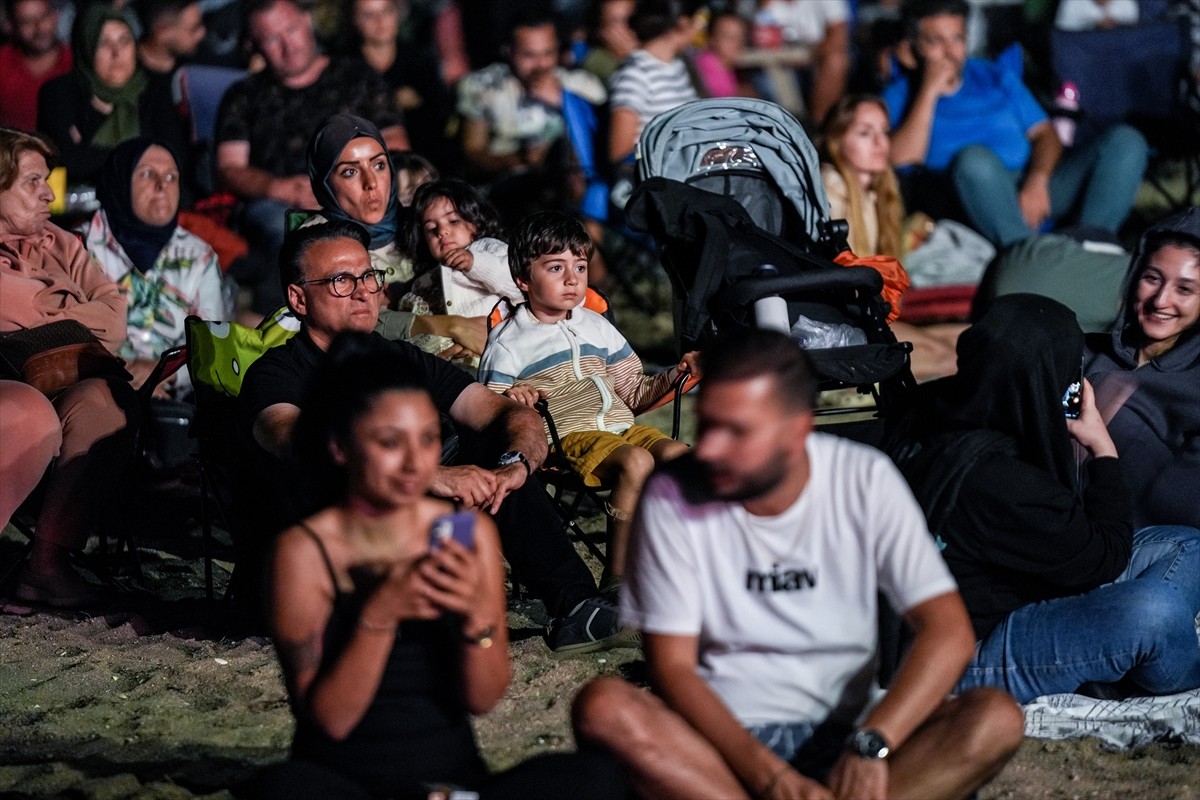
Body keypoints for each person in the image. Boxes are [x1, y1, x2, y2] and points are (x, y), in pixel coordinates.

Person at [572, 329, 1024, 800]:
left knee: (994, 716)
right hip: (726, 741)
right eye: (707, 426)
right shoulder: (674, 493)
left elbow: (948, 633)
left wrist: (874, 744)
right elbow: (673, 668)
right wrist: (772, 777)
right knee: (604, 706)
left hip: (850, 725)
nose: (709, 449)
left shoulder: (863, 477)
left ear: (797, 430)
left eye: (737, 431)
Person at [251, 330, 627, 799]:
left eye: (428, 439)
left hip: (453, 777)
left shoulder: (465, 534)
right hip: (347, 780)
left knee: (595, 781)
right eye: (391, 443)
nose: (416, 463)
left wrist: (476, 621)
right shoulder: (306, 551)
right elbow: (330, 719)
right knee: (282, 790)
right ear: (341, 447)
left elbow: (483, 697)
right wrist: (379, 615)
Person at [238, 219, 633, 653]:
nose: (363, 290)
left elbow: (505, 412)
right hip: (329, 563)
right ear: (298, 298)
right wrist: (434, 476)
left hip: (421, 538)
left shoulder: (401, 359)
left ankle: (575, 607)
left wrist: (515, 465)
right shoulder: (275, 374)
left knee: (493, 451)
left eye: (368, 275)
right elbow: (297, 442)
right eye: (340, 281)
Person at [897, 293, 1200, 703]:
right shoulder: (1006, 483)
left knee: (1186, 545)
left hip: (995, 587)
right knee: (1154, 612)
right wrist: (1102, 449)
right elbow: (1106, 555)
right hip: (960, 653)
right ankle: (1149, 671)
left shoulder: (939, 405)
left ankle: (1105, 658)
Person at [478, 211, 697, 593]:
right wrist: (513, 400)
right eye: (555, 267)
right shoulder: (509, 342)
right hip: (566, 440)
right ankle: (617, 579)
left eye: (580, 266)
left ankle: (680, 563)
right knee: (637, 461)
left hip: (622, 428)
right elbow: (487, 409)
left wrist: (680, 374)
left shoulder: (597, 326)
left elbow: (633, 390)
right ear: (523, 280)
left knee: (684, 458)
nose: (572, 279)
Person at [0, 126, 137, 607]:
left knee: (108, 402)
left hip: (56, 375)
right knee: (25, 410)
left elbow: (115, 318)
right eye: (33, 181)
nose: (49, 194)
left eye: (49, 180)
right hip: (12, 383)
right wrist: (74, 303)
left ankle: (45, 566)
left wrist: (44, 303)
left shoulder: (63, 242)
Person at [883, 0, 1148, 248]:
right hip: (966, 198)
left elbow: (1045, 134)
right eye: (935, 42)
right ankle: (1028, 257)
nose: (950, 52)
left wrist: (1037, 180)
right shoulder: (901, 95)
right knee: (974, 160)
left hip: (1027, 188)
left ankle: (1092, 249)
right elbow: (901, 161)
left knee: (1125, 141)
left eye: (958, 39)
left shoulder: (993, 75)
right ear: (912, 48)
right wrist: (928, 91)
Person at [214, 0, 408, 314]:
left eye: (291, 29)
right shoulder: (245, 95)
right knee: (285, 228)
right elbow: (229, 168)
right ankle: (287, 327)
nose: (288, 45)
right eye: (273, 38)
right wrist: (279, 187)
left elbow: (397, 144)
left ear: (307, 22)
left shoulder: (355, 75)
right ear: (255, 46)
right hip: (282, 200)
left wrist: (350, 186)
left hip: (356, 190)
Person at [304, 113, 483, 360]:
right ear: (325, 181)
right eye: (349, 172)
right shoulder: (317, 240)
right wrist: (451, 326)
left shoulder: (422, 221)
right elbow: (351, 324)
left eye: (379, 165)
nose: (371, 183)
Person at [817, 92, 964, 381]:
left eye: (884, 132)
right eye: (864, 133)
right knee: (951, 358)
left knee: (969, 337)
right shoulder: (829, 189)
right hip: (845, 322)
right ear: (837, 141)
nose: (880, 142)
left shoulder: (877, 194)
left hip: (871, 313)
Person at [1085, 206, 1200, 530]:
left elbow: (1179, 515)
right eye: (1152, 279)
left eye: (1185, 289)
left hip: (1139, 547)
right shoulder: (1081, 351)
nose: (1161, 300)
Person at [83, 136, 226, 394]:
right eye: (147, 174)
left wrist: (163, 374)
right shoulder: (81, 247)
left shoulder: (198, 256)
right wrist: (120, 372)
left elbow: (213, 347)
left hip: (174, 395)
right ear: (121, 182)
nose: (162, 186)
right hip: (97, 386)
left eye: (171, 177)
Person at [36, 4, 186, 186]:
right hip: (76, 208)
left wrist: (93, 153)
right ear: (87, 47)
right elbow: (66, 161)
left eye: (124, 41)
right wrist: (140, 155)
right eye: (104, 43)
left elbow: (173, 158)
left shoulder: (154, 90)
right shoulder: (59, 93)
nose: (117, 53)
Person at [401, 179, 522, 364]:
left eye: (453, 221)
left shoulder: (489, 248)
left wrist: (475, 264)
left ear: (476, 222)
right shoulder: (431, 275)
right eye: (431, 228)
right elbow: (416, 306)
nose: (442, 231)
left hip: (506, 346)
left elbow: (515, 282)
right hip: (461, 354)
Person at [342, 0, 453, 167]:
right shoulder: (343, 66)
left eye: (386, 11)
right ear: (355, 20)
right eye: (369, 15)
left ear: (397, 14)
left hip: (422, 159)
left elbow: (441, 114)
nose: (380, 21)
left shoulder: (420, 60)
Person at [607, 0, 700, 164]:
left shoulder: (677, 67)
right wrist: (674, 155)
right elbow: (620, 154)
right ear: (683, 23)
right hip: (658, 183)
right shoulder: (635, 74)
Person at [0, 0, 73, 131]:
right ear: (11, 26)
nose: (39, 28)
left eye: (43, 17)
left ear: (55, 16)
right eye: (27, 22)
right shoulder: (3, 64)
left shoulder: (76, 63)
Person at [133, 0, 206, 77]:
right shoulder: (132, 79)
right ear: (162, 33)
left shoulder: (204, 57)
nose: (202, 33)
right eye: (193, 29)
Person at [693, 11, 751, 99]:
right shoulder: (707, 66)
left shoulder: (724, 66)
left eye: (741, 37)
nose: (737, 43)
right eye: (729, 37)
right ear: (711, 39)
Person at [580, 0, 637, 85]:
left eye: (632, 18)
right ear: (601, 31)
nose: (629, 26)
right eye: (618, 21)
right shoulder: (595, 62)